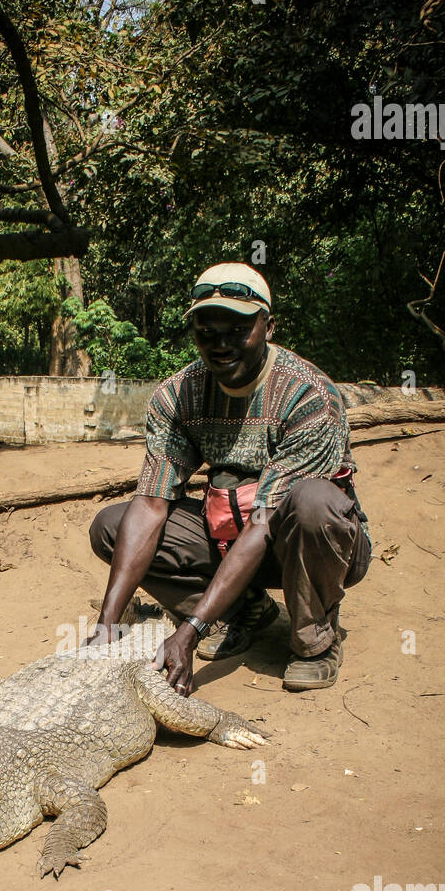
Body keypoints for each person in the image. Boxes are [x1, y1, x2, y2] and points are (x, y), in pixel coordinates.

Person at [88, 262, 371, 692]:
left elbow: (265, 522)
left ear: (268, 326)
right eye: (207, 331)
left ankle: (315, 639)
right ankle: (241, 610)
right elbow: (151, 505)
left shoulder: (307, 395)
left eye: (238, 330)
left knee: (315, 503)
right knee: (112, 527)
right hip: (229, 534)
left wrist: (190, 630)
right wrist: (106, 628)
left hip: (306, 540)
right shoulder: (177, 396)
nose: (221, 344)